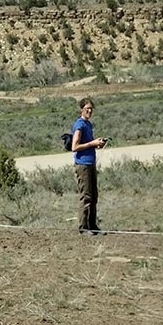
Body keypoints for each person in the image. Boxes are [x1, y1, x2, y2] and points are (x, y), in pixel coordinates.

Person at [70, 97, 108, 235]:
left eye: (91, 109)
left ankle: (93, 225)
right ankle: (83, 228)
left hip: (90, 163)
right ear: (81, 110)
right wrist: (92, 143)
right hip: (82, 165)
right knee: (86, 196)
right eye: (87, 109)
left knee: (93, 196)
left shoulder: (88, 124)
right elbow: (75, 147)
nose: (90, 111)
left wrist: (97, 143)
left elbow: (87, 144)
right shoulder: (79, 125)